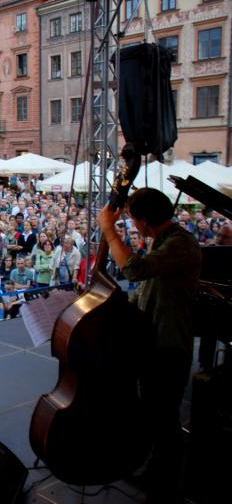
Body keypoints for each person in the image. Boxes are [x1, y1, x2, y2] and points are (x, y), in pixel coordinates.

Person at [98, 188, 202, 504]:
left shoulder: (181, 244)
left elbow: (135, 270)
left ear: (144, 222)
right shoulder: (164, 241)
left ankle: (168, 486)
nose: (132, 225)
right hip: (154, 340)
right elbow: (147, 287)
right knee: (156, 412)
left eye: (132, 220)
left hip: (168, 345)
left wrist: (109, 231)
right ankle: (156, 471)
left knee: (165, 417)